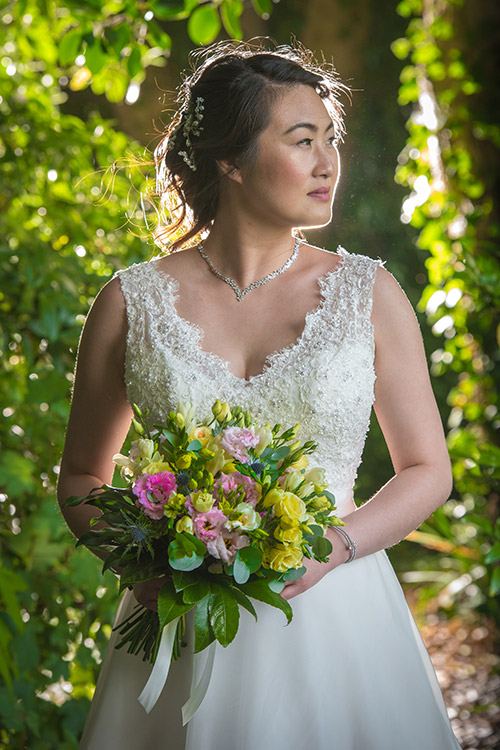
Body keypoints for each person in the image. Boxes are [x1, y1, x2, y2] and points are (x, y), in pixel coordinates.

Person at [57, 39, 463, 750]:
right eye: (301, 140)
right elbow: (82, 478)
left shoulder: (369, 295)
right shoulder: (130, 302)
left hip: (338, 618)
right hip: (177, 623)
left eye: (331, 140)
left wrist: (334, 547)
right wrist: (145, 558)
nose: (327, 163)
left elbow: (428, 471)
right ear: (228, 159)